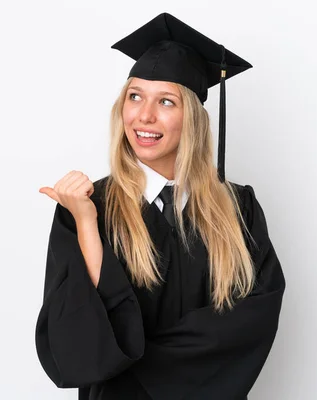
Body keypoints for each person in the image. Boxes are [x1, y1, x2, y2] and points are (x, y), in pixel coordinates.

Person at [35, 13, 285, 400]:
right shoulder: (87, 208)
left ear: (194, 119)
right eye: (134, 96)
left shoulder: (239, 210)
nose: (144, 116)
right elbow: (75, 348)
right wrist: (87, 225)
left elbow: (249, 326)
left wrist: (133, 357)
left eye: (166, 101)